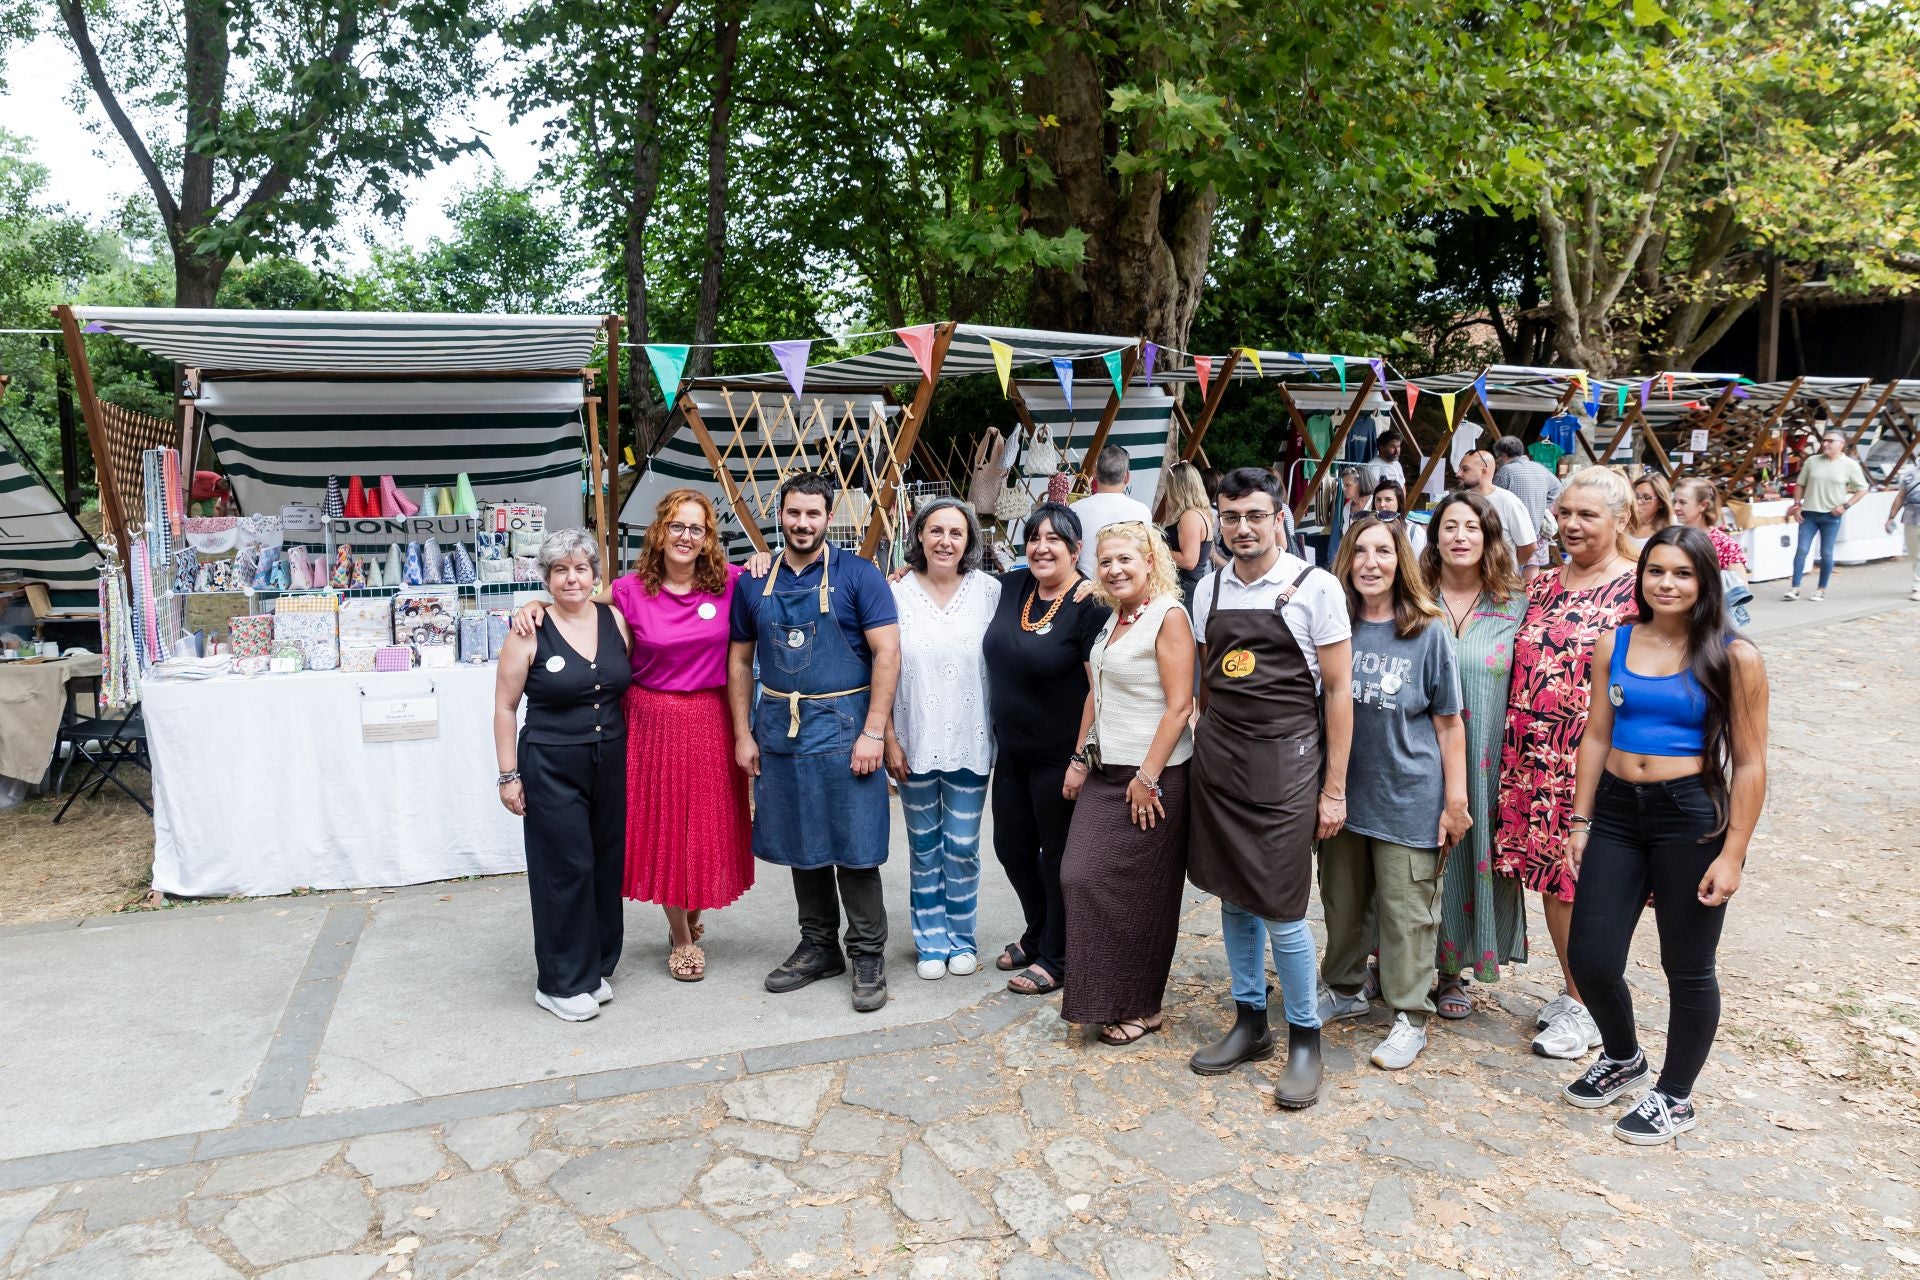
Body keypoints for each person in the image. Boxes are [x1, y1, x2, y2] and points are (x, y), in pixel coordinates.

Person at [1562, 526, 1769, 1144]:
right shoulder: (1615, 641)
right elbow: (1597, 734)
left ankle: (1675, 1097)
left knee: (1688, 965)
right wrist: (1581, 818)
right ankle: (1624, 1056)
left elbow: (1752, 764)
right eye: (1657, 571)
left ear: (1705, 580)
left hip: (1691, 814)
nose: (1667, 583)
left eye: (1682, 573)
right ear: (1641, 576)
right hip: (1620, 813)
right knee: (1591, 956)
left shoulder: (1734, 657)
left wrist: (1732, 855)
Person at [509, 493, 767, 983]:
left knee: (703, 826)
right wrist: (536, 603)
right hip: (651, 721)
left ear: (709, 536)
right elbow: (574, 596)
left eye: (696, 528)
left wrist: (763, 557)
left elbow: (785, 577)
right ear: (660, 532)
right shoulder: (630, 590)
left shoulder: (732, 583)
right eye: (676, 526)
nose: (686, 537)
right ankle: (682, 936)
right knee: (669, 827)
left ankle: (689, 911)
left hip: (710, 717)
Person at [1185, 468, 1352, 1108]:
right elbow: (1207, 679)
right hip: (1221, 763)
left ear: (1279, 516)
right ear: (1218, 521)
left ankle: (1305, 1037)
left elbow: (1338, 694)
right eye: (1231, 517)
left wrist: (1332, 790)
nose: (1243, 528)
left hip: (1288, 763)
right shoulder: (1210, 588)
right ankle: (1250, 1020)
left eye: (1256, 515)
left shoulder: (1317, 588)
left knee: (1282, 904)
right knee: (1232, 895)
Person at [728, 472, 902, 1012]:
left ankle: (867, 953)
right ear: (779, 515)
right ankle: (819, 946)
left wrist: (875, 730)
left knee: (855, 847)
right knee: (804, 844)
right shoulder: (754, 581)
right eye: (793, 513)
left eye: (813, 514)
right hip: (781, 727)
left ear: (830, 518)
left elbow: (888, 655)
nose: (802, 524)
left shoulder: (860, 576)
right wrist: (743, 733)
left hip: (848, 727)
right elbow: (738, 661)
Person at [1495, 466, 1639, 1059]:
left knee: (1579, 881)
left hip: (1590, 759)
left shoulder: (1637, 588)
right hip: (1532, 758)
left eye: (1588, 515)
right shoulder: (1547, 583)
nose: (1571, 524)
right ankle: (1574, 987)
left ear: (1621, 519)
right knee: (1551, 879)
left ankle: (1585, 1006)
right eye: (1566, 513)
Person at [1317, 516, 1469, 1070]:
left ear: (1400, 561)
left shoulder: (1426, 630)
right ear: (1345, 561)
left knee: (1408, 913)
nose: (1370, 562)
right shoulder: (1332, 625)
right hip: (1342, 793)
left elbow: (1450, 723)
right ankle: (1345, 988)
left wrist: (1455, 803)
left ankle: (1410, 1014)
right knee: (1342, 899)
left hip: (1409, 794)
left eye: (1383, 551)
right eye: (1359, 551)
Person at [1061, 521, 1195, 1045]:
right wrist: (1077, 756)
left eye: (1125, 560)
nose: (1115, 570)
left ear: (1150, 562)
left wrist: (1147, 777)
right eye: (1106, 561)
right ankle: (1102, 995)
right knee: (1080, 876)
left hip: (1153, 777)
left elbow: (1180, 705)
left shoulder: (1168, 616)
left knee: (1145, 894)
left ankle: (1143, 1005)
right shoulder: (1113, 619)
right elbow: (1095, 695)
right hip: (1104, 770)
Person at [493, 529, 635, 1022]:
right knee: (565, 866)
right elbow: (505, 708)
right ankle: (557, 982)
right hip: (552, 763)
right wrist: (508, 775)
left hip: (611, 759)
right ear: (547, 578)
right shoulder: (528, 630)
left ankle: (592, 968)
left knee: (603, 862)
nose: (571, 578)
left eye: (580, 568)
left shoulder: (614, 618)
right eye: (559, 570)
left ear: (597, 575)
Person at [982, 502, 1108, 996]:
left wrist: (1081, 759)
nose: (1042, 546)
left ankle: (1058, 955)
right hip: (1012, 750)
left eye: (1055, 539)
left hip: (1061, 756)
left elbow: (1099, 688)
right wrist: (909, 569)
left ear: (1076, 550)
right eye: (1034, 537)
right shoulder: (1012, 587)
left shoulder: (1090, 604)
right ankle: (1037, 932)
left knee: (1057, 858)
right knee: (1011, 848)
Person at [1420, 492, 1528, 1017]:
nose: (1460, 536)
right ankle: (1390, 959)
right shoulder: (1412, 598)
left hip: (1486, 759)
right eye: (1449, 526)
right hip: (1415, 752)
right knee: (1405, 858)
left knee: (1465, 859)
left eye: (1471, 527)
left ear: (1488, 538)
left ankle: (1451, 970)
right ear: (1434, 536)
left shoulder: (1514, 605)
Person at [885, 498, 1001, 981]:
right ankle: (930, 940)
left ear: (970, 540)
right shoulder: (893, 593)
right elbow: (879, 665)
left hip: (970, 739)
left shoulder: (990, 591)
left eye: (956, 533)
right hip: (913, 737)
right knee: (924, 846)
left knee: (962, 846)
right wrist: (887, 735)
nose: (945, 541)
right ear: (919, 536)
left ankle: (962, 936)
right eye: (935, 531)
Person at [1785, 429, 1869, 601]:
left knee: (1826, 552)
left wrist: (1846, 506)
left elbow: (1863, 488)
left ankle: (1821, 589)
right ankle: (1795, 587)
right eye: (1824, 440)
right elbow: (1800, 484)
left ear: (1841, 444)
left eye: (1830, 441)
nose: (1825, 444)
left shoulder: (1850, 465)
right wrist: (1796, 505)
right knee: (1801, 549)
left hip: (1831, 515)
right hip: (1808, 513)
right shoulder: (1812, 461)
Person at [1673, 478, 1751, 627]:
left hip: (1709, 624)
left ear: (1703, 505)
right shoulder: (1673, 538)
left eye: (1682, 502)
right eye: (1675, 501)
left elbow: (1740, 589)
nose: (1676, 507)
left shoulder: (1725, 544)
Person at [1070, 444, 1152, 579]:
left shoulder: (1075, 510)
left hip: (1083, 589)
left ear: (1095, 474)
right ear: (1127, 477)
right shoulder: (1142, 511)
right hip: (1124, 586)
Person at [1458, 449, 1539, 573]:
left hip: (1499, 586)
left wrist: (1507, 568)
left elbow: (1529, 546)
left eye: (1465, 469)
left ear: (1483, 472)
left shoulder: (1508, 502)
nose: (1458, 473)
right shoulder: (1459, 501)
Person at [1493, 436, 1563, 577]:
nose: (1498, 462)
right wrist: (1543, 504)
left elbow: (1493, 497)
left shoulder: (1506, 471)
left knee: (1509, 575)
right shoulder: (1540, 468)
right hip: (1536, 531)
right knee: (1531, 575)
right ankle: (1530, 597)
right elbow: (1557, 487)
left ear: (1504, 456)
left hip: (1511, 534)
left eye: (1498, 458)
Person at [1160, 461, 1217, 609]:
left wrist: (1157, 547)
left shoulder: (1190, 516)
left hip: (1185, 593)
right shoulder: (1196, 513)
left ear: (1177, 488)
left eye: (1169, 487)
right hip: (1184, 590)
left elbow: (1189, 560)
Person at [1884, 458, 1920, 601]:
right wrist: (1891, 517)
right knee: (1914, 553)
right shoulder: (1910, 474)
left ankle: (1918, 586)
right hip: (1911, 516)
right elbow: (1900, 497)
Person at [1371, 476, 1424, 555]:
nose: (1382, 504)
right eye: (1378, 499)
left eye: (1388, 499)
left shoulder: (1413, 531)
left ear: (1399, 502)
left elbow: (1418, 565)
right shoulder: (1369, 529)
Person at [1628, 473, 1674, 552]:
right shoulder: (1622, 524)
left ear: (1661, 503)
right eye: (1636, 496)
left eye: (1647, 498)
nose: (1638, 502)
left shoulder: (1669, 534)